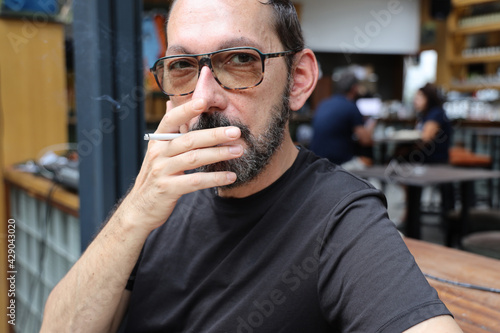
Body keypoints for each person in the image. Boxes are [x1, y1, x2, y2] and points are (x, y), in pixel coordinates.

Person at [41, 1, 463, 332]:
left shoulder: (338, 217)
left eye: (240, 59)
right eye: (183, 67)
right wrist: (133, 213)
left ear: (298, 80)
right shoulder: (159, 200)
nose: (204, 98)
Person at [309, 71, 376, 169]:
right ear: (354, 88)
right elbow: (366, 140)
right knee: (367, 160)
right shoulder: (351, 106)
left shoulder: (323, 103)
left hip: (316, 160)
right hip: (338, 163)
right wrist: (372, 123)